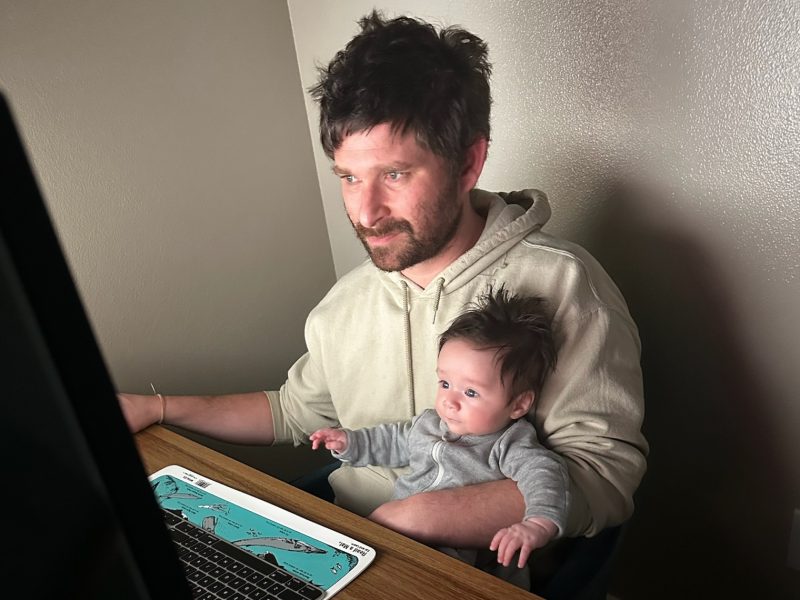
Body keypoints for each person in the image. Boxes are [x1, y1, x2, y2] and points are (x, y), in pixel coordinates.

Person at [119, 8, 647, 580]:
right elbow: (294, 410)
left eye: (394, 174)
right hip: (340, 549)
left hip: (464, 572)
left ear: (468, 161)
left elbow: (602, 476)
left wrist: (410, 518)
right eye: (348, 177)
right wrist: (161, 408)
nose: (365, 213)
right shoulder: (344, 305)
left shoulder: (568, 287)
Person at [310, 287, 570, 577]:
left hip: (450, 555)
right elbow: (392, 440)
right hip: (394, 538)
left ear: (519, 404)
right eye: (444, 384)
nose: (450, 400)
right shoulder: (429, 424)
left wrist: (538, 523)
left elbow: (545, 475)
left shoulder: (509, 444)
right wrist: (350, 441)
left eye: (471, 392)